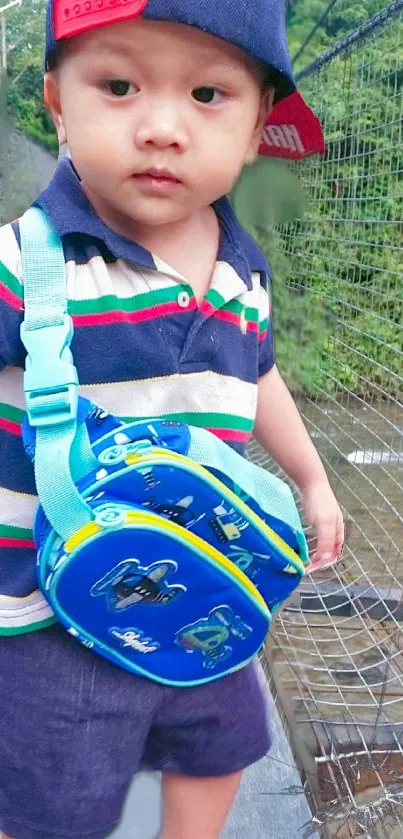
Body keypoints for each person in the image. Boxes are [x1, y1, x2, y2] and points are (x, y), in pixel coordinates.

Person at [0, 1, 344, 837]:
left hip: (205, 575)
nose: (160, 126)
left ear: (259, 125)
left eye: (207, 95)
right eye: (117, 85)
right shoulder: (27, 263)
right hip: (52, 608)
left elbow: (257, 373)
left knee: (220, 745)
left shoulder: (242, 270)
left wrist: (311, 476)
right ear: (57, 101)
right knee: (51, 795)